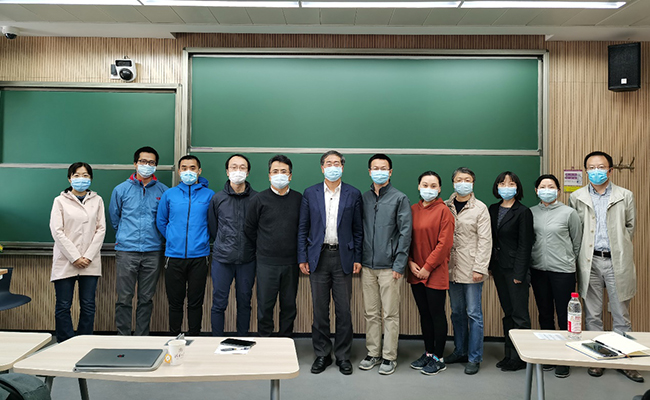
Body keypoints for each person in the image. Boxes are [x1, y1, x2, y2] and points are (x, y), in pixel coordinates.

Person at [569, 151, 642, 383]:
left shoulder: (625, 195)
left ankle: (624, 360)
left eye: (601, 167)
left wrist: (618, 246)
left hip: (615, 260)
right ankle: (598, 358)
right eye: (592, 167)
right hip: (589, 261)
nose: (596, 171)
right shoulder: (577, 196)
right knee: (592, 314)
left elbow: (630, 226)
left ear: (610, 170)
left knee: (621, 313)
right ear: (586, 171)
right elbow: (576, 230)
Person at [297, 150, 363, 375]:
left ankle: (343, 356)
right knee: (320, 310)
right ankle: (322, 354)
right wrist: (302, 257)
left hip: (343, 257)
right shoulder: (310, 193)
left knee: (344, 310)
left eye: (337, 163)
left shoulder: (353, 193)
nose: (332, 167)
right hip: (318, 257)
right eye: (328, 163)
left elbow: (358, 230)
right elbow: (303, 228)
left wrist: (357, 257)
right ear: (322, 167)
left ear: (342, 167)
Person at [359, 154, 412, 375]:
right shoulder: (363, 198)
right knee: (371, 313)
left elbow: (405, 233)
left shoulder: (400, 198)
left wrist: (399, 264)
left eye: (383, 168)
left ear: (390, 172)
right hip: (367, 266)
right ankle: (373, 353)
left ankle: (389, 356)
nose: (379, 171)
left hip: (390, 267)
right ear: (369, 171)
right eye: (375, 168)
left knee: (390, 314)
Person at [109, 146, 168, 336]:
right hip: (127, 251)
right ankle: (123, 337)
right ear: (135, 164)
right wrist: (127, 236)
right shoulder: (120, 190)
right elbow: (115, 219)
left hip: (153, 251)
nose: (146, 165)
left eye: (151, 162)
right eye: (143, 161)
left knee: (146, 298)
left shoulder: (163, 191)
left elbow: (165, 220)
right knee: (124, 298)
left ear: (156, 166)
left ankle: (142, 337)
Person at [530, 174, 582, 379]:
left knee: (564, 315)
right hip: (538, 270)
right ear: (536, 191)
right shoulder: (530, 212)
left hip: (563, 272)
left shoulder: (569, 213)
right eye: (542, 186)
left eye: (551, 186)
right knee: (544, 314)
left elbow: (577, 243)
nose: (547, 190)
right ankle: (549, 355)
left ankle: (565, 358)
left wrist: (567, 261)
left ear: (558, 191)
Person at [156, 155, 214, 336]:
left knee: (195, 303)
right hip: (174, 256)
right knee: (175, 303)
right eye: (184, 168)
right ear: (179, 171)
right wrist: (172, 238)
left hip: (199, 256)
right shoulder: (169, 194)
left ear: (199, 171)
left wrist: (203, 239)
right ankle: (175, 339)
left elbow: (213, 223)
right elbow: (161, 221)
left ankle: (195, 338)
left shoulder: (209, 195)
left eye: (192, 167)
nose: (188, 171)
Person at [244, 155, 302, 337]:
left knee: (289, 306)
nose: (279, 175)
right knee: (265, 306)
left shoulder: (299, 199)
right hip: (266, 263)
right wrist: (265, 246)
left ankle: (286, 341)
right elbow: (249, 229)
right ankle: (265, 342)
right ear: (269, 175)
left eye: (283, 171)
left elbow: (303, 229)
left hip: (291, 263)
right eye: (275, 171)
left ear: (290, 175)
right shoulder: (258, 199)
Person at [49, 162, 106, 343]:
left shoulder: (97, 200)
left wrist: (87, 256)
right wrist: (75, 257)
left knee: (88, 305)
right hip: (66, 260)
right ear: (69, 178)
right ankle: (65, 342)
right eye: (77, 175)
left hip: (90, 261)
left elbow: (101, 229)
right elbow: (57, 231)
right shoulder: (60, 201)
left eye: (85, 175)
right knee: (63, 305)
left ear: (91, 178)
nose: (81, 179)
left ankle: (84, 341)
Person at [444, 167, 492, 375]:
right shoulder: (445, 206)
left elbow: (485, 240)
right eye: (459, 179)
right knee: (457, 312)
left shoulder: (480, 208)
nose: (463, 183)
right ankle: (460, 351)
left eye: (467, 180)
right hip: (450, 268)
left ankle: (474, 357)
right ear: (453, 182)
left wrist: (480, 267)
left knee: (473, 313)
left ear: (473, 183)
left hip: (472, 268)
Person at [407, 171, 455, 376]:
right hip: (415, 271)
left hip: (434, 272)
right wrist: (410, 262)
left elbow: (444, 244)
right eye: (425, 185)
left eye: (433, 185)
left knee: (436, 314)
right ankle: (428, 353)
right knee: (424, 314)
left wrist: (427, 267)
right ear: (419, 186)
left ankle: (438, 357)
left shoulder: (444, 211)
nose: (429, 189)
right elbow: (406, 239)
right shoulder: (412, 210)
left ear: (440, 189)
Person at [488, 171, 534, 372]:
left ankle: (521, 357)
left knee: (519, 315)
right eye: (502, 183)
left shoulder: (523, 212)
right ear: (497, 187)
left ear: (517, 187)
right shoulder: (493, 209)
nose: (506, 187)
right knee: (508, 313)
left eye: (511, 183)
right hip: (499, 268)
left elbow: (525, 245)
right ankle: (509, 355)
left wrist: (519, 274)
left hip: (516, 270)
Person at [208, 154, 257, 336]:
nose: (238, 171)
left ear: (248, 172)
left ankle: (242, 340)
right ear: (227, 171)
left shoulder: (257, 198)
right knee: (219, 303)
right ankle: (216, 340)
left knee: (244, 303)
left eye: (242, 167)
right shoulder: (217, 198)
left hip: (248, 259)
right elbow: (213, 227)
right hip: (222, 259)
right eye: (234, 167)